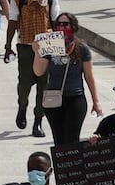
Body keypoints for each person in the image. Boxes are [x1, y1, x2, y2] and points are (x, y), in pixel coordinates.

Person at [4, 0, 60, 137]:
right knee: (25, 84)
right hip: (26, 46)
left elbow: (56, 21)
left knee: (44, 87)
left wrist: (61, 46)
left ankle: (38, 121)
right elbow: (13, 21)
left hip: (46, 46)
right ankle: (22, 106)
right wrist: (7, 45)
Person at [32, 12, 101, 146]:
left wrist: (96, 102)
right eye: (59, 24)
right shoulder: (49, 45)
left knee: (72, 139)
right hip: (54, 98)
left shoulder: (82, 48)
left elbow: (89, 76)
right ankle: (60, 166)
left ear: (73, 26)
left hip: (75, 97)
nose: (61, 27)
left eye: (65, 24)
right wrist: (37, 52)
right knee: (59, 140)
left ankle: (74, 166)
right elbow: (39, 72)